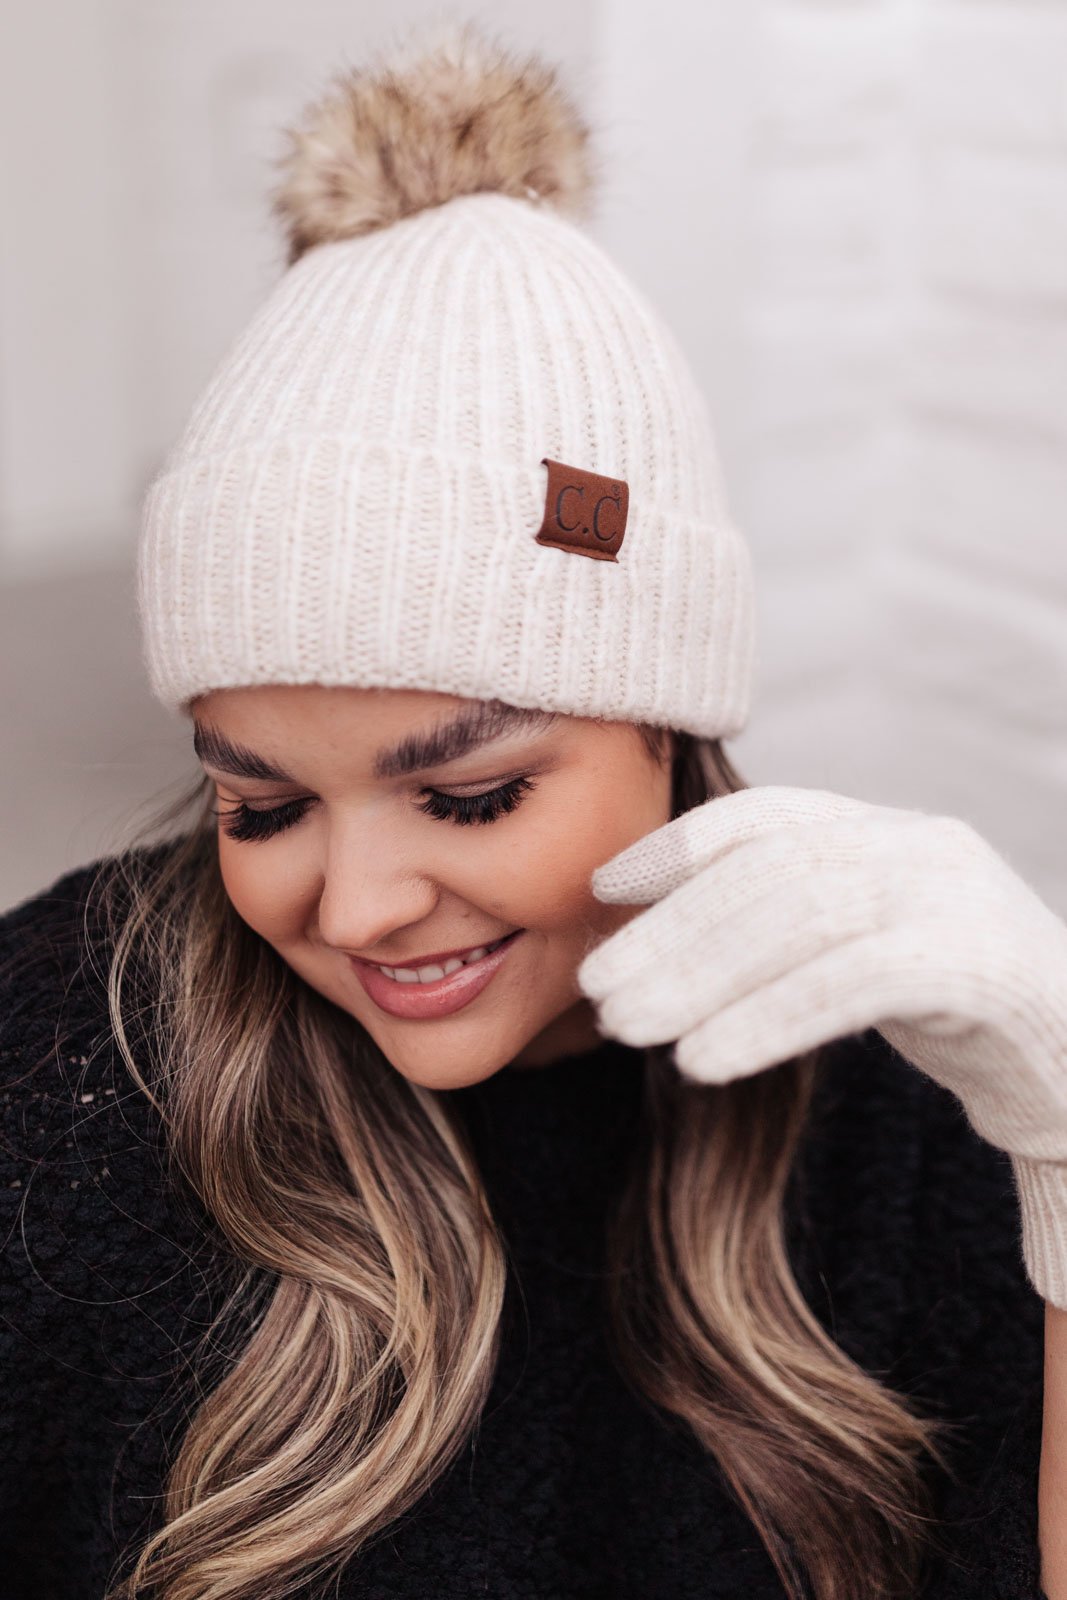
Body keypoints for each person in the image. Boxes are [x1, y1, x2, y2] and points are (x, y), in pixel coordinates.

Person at [1, 19, 1064, 1600]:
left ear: (672, 728)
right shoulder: (60, 1063)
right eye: (263, 804)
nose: (358, 907)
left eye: (472, 794)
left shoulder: (896, 1111)